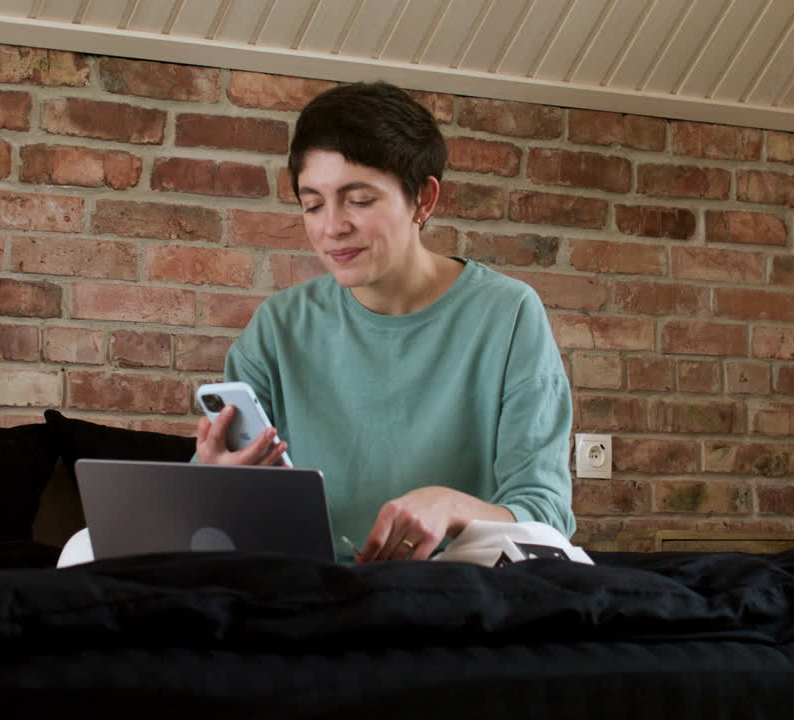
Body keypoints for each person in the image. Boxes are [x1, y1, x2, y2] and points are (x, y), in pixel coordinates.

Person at [195, 81, 574, 563]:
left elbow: (546, 517)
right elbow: (207, 514)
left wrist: (450, 505)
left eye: (358, 200)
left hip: (450, 583)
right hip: (307, 583)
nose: (331, 227)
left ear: (423, 199)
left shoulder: (509, 313)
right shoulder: (279, 325)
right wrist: (214, 477)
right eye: (313, 204)